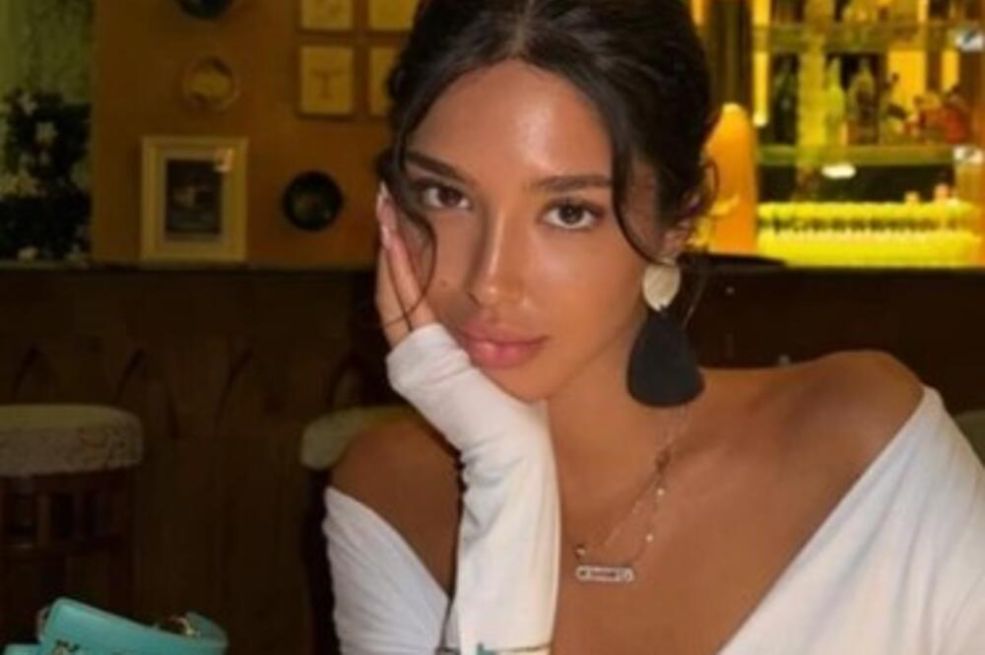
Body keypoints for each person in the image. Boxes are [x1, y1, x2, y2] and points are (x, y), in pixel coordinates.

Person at [323, 1, 985, 653]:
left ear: (677, 222)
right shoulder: (391, 496)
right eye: (446, 196)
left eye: (569, 212)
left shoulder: (863, 448)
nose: (489, 280)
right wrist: (507, 474)